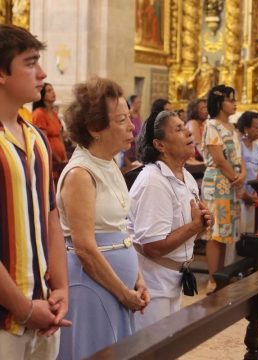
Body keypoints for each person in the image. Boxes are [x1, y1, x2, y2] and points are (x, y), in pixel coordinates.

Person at [56, 77, 150, 360]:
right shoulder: (80, 175)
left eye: (130, 117)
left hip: (116, 287)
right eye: (122, 119)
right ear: (95, 128)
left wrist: (138, 278)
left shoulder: (108, 164)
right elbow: (84, 247)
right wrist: (123, 292)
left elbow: (120, 228)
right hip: (91, 289)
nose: (132, 126)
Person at [0, 24, 70, 360]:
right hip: (6, 318)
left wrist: (61, 288)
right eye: (30, 63)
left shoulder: (36, 138)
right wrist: (23, 308)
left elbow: (51, 219)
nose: (41, 73)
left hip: (44, 307)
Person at [128, 110, 212, 330]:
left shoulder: (187, 178)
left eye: (185, 126)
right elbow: (152, 247)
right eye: (178, 129)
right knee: (149, 349)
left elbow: (185, 232)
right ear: (160, 145)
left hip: (172, 279)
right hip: (151, 284)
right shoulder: (153, 181)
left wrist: (201, 224)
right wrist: (194, 226)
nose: (188, 133)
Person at [201, 85, 246, 294]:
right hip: (218, 182)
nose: (234, 103)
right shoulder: (212, 125)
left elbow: (239, 155)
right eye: (230, 99)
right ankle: (213, 278)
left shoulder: (232, 126)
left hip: (231, 182)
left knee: (227, 230)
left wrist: (242, 174)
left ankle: (223, 275)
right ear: (219, 103)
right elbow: (218, 159)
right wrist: (236, 178)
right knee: (215, 231)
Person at [236, 111, 258, 233]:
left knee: (249, 232)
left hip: (251, 196)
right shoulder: (238, 145)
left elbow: (257, 172)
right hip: (239, 196)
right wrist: (243, 194)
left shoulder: (257, 148)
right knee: (238, 233)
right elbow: (235, 172)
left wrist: (256, 193)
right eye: (256, 127)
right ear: (246, 128)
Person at [32, 82, 67, 164]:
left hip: (61, 160)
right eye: (49, 91)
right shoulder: (39, 114)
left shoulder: (54, 114)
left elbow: (60, 137)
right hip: (49, 159)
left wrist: (64, 156)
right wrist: (58, 160)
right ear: (42, 94)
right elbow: (44, 140)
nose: (53, 92)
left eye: (52, 90)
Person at [124, 94, 142, 163]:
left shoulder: (139, 115)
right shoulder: (129, 115)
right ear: (131, 103)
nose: (140, 104)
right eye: (138, 102)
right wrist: (134, 139)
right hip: (129, 147)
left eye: (140, 102)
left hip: (137, 148)